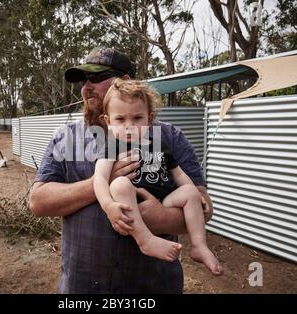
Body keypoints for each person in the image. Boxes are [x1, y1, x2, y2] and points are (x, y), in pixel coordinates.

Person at [29, 47, 214, 293]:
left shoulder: (169, 137)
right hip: (84, 287)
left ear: (125, 82)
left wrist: (162, 218)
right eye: (84, 81)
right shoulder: (66, 138)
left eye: (96, 78)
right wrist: (100, 183)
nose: (86, 88)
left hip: (153, 286)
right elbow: (38, 202)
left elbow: (203, 205)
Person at [93, 78, 222, 275]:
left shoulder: (160, 143)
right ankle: (145, 239)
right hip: (131, 203)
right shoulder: (112, 146)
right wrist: (108, 205)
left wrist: (197, 195)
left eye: (137, 118)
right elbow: (100, 178)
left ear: (149, 119)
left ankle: (199, 245)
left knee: (189, 190)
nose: (130, 126)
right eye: (120, 119)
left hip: (165, 201)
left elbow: (178, 173)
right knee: (119, 184)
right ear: (108, 122)